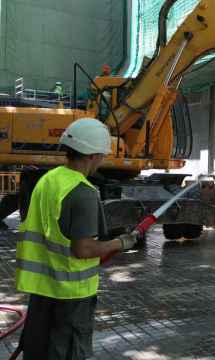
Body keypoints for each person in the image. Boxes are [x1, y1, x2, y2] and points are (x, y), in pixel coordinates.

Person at [14, 118, 138, 359]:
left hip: (42, 288)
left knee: (38, 349)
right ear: (92, 155)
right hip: (70, 296)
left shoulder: (48, 180)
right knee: (67, 352)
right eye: (101, 155)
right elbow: (83, 249)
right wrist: (121, 243)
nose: (102, 160)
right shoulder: (83, 193)